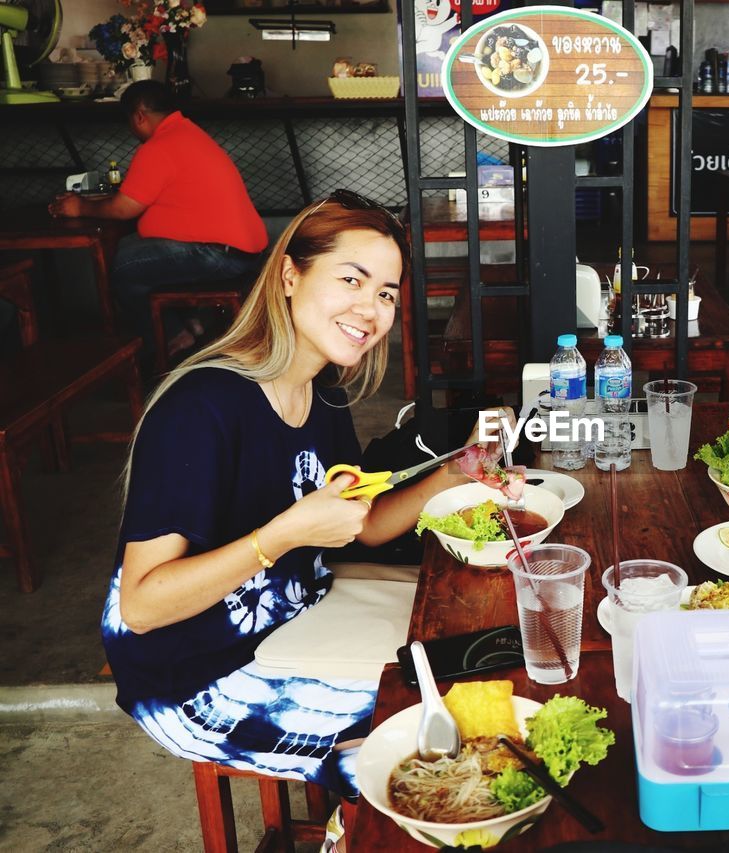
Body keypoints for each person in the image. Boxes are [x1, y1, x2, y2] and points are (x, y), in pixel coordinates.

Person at [100, 191, 503, 798]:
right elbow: (142, 607)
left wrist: (457, 473)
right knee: (440, 752)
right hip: (197, 673)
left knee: (491, 658)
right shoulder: (201, 406)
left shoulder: (324, 394)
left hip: (298, 613)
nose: (371, 309)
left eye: (387, 294)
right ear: (290, 274)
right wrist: (286, 533)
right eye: (352, 280)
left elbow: (360, 526)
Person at [48, 80, 267, 362]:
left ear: (139, 116)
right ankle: (191, 325)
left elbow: (124, 209)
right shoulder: (187, 134)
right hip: (239, 250)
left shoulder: (160, 146)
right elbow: (135, 197)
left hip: (220, 255)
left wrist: (79, 207)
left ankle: (173, 338)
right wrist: (94, 204)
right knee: (137, 253)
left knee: (125, 268)